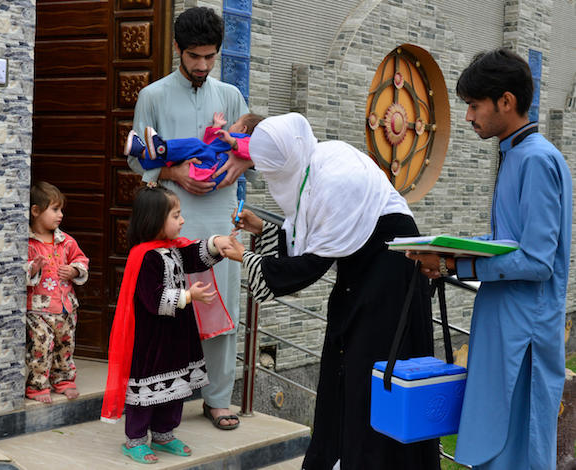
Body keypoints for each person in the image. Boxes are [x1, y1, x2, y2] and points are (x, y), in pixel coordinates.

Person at [222, 113, 440, 470]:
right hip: (363, 280)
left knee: (370, 383)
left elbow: (309, 266)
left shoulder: (336, 179)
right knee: (345, 377)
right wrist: (263, 228)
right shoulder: (318, 163)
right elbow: (311, 230)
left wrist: (244, 256)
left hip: (388, 284)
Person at [408, 48, 572, 470]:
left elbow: (537, 260)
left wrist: (453, 266)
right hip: (503, 324)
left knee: (521, 451)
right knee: (495, 446)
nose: (467, 117)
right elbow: (507, 241)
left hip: (525, 336)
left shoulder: (536, 158)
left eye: (473, 105)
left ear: (506, 101)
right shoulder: (515, 152)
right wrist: (444, 249)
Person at [127, 6, 250, 430]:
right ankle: (167, 399)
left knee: (223, 305)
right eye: (194, 56)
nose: (202, 65)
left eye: (210, 57)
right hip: (172, 221)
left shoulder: (231, 95)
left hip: (222, 219)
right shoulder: (153, 96)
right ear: (178, 49)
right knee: (171, 307)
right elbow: (136, 159)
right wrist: (175, 171)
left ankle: (218, 399)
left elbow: (247, 150)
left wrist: (237, 168)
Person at [100, 184, 234, 464]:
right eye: (175, 215)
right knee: (146, 391)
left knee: (175, 386)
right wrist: (188, 295)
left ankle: (164, 434)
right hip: (151, 340)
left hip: (176, 335)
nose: (182, 220)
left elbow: (194, 255)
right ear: (154, 219)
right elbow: (152, 299)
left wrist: (217, 243)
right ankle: (134, 440)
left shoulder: (172, 250)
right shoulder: (144, 256)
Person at [26, 181, 89, 403]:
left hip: (66, 307)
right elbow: (20, 271)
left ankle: (63, 380)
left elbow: (82, 260)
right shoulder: (28, 244)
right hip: (39, 309)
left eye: (61, 209)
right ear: (36, 211)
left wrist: (74, 270)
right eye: (54, 209)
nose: (60, 215)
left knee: (65, 345)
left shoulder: (66, 241)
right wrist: (33, 268)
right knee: (41, 346)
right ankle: (37, 385)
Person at [126, 111, 264, 190]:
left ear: (243, 129)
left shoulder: (243, 140)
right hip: (207, 169)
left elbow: (251, 150)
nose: (231, 125)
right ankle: (141, 152)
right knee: (177, 158)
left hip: (210, 170)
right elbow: (210, 145)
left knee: (194, 144)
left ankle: (162, 149)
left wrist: (233, 142)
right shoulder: (231, 140)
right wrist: (216, 127)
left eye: (235, 123)